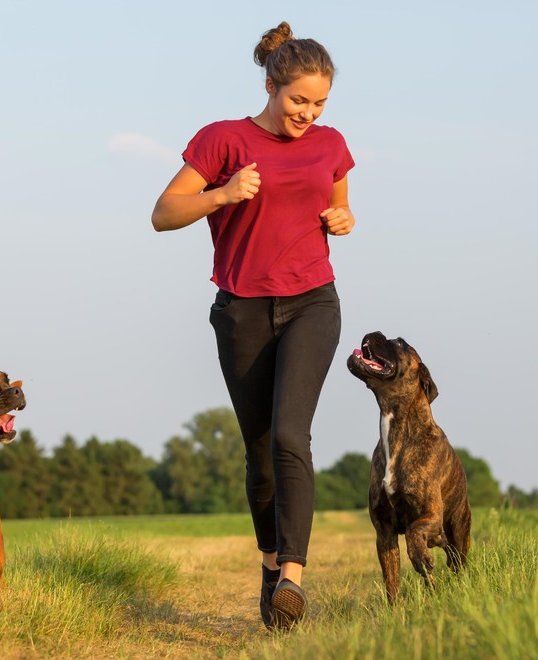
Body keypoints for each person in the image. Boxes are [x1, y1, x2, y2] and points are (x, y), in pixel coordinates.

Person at [151, 21, 355, 630]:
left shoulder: (331, 143)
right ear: (270, 85)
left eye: (319, 103)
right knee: (260, 451)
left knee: (292, 434)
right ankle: (270, 565)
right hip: (241, 309)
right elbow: (163, 214)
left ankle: (293, 574)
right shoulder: (222, 141)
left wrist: (343, 220)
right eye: (298, 100)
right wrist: (223, 195)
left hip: (312, 301)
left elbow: (339, 203)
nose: (308, 113)